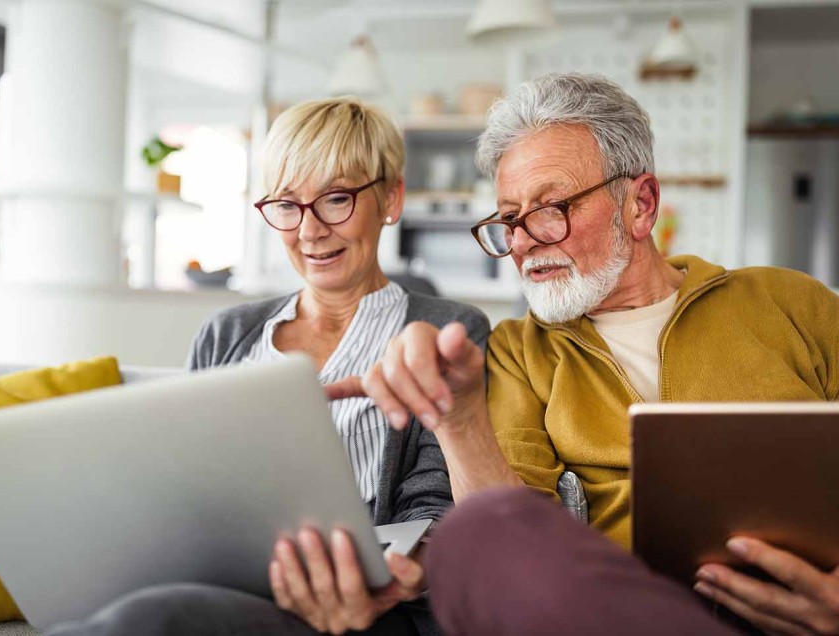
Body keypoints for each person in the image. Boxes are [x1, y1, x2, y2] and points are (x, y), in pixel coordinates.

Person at [328, 73, 839, 634]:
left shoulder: (791, 303)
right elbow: (509, 548)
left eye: (551, 208)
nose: (521, 242)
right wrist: (458, 419)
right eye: (509, 219)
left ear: (641, 205)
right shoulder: (518, 352)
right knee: (473, 537)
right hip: (615, 618)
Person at [48, 97, 489, 636]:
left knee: (151, 620)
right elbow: (184, 483)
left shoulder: (447, 332)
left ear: (390, 198)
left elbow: (439, 517)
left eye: (335, 199)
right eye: (286, 204)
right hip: (230, 583)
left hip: (365, 609)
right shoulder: (227, 334)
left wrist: (392, 577)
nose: (309, 230)